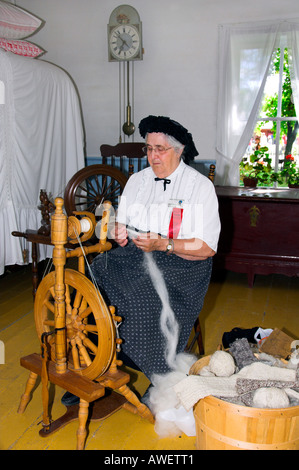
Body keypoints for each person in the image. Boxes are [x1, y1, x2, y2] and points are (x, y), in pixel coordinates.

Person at [61, 115, 220, 406]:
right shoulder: (138, 181)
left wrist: (164, 243)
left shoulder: (199, 187)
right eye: (148, 148)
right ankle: (92, 367)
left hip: (182, 266)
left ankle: (160, 376)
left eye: (160, 149)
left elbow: (207, 247)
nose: (153, 155)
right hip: (135, 256)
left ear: (179, 150)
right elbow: (119, 225)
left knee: (140, 300)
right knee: (89, 285)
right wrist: (117, 232)